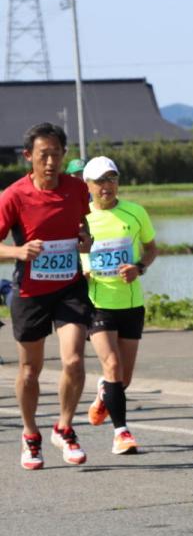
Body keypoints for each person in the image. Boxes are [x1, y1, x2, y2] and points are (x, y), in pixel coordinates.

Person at [0, 123, 93, 469]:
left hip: (69, 286)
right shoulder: (13, 195)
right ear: (29, 157)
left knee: (73, 361)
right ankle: (30, 435)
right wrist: (18, 251)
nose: (51, 162)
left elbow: (83, 226)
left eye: (57, 154)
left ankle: (64, 428)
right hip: (30, 291)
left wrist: (86, 239)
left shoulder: (77, 188)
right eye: (44, 155)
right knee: (29, 370)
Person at [80, 156, 158, 456]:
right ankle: (121, 433)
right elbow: (65, 249)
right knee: (111, 365)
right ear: (87, 185)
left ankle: (105, 394)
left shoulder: (135, 212)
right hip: (97, 303)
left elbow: (152, 249)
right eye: (99, 181)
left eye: (111, 179)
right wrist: (81, 269)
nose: (106, 186)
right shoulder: (80, 216)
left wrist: (138, 267)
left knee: (123, 378)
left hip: (131, 303)